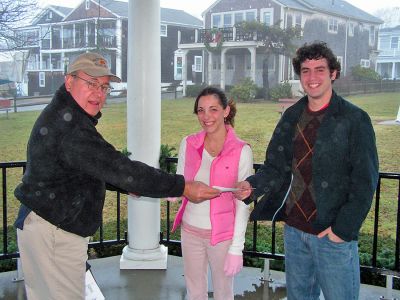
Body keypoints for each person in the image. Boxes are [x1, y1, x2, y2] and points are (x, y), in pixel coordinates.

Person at [14, 52, 220, 300]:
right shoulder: (70, 127)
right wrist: (183, 187)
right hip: (53, 234)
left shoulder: (68, 116)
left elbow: (85, 169)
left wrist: (125, 186)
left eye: (104, 87)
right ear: (69, 81)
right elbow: (120, 168)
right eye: (91, 83)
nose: (98, 93)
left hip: (50, 225)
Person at [235, 42, 379, 300]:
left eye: (320, 69)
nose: (312, 78)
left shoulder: (354, 119)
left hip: (332, 234)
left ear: (333, 73)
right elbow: (275, 166)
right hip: (295, 231)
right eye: (306, 70)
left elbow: (365, 181)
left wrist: (341, 230)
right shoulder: (291, 116)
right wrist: (252, 185)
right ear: (299, 75)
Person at [172, 87, 254, 300]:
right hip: (190, 231)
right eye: (201, 110)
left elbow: (243, 204)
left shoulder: (241, 151)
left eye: (213, 109)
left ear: (226, 111)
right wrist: (171, 192)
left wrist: (236, 248)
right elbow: (180, 183)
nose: (206, 116)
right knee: (195, 292)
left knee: (223, 294)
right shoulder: (188, 143)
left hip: (223, 237)